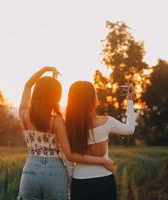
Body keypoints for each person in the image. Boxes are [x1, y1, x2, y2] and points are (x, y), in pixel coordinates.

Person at [17, 67, 115, 200]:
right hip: (54, 171)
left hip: (30, 171)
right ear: (56, 97)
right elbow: (70, 155)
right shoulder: (57, 122)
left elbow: (28, 85)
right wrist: (102, 160)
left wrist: (45, 70)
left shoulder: (24, 115)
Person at [65, 81, 136, 200]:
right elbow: (130, 129)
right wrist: (130, 101)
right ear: (92, 99)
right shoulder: (106, 121)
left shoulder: (67, 126)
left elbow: (70, 158)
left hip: (79, 181)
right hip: (104, 179)